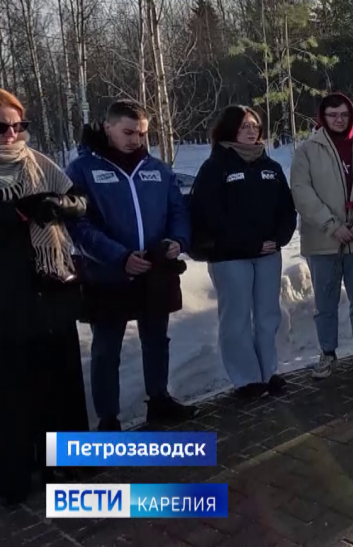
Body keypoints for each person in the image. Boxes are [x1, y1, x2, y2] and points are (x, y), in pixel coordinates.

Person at [65, 100, 195, 431]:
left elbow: (178, 210)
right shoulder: (82, 169)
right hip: (107, 273)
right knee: (107, 348)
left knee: (157, 339)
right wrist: (119, 257)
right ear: (107, 127)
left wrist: (178, 241)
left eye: (141, 133)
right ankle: (108, 418)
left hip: (155, 270)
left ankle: (159, 399)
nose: (136, 139)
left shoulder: (157, 167)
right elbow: (79, 225)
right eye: (128, 132)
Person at [0, 90, 89, 504]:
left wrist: (61, 206)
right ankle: (16, 472)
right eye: (2, 127)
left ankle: (64, 464)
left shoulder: (38, 163)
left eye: (18, 125)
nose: (12, 134)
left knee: (60, 384)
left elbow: (80, 199)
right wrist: (18, 213)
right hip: (8, 301)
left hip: (52, 293)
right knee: (15, 392)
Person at [189, 106, 297, 399]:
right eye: (244, 126)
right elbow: (209, 216)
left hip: (269, 254)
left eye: (255, 126)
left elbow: (286, 209)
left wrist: (279, 238)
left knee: (268, 316)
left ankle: (270, 372)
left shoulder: (271, 167)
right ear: (229, 130)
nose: (251, 131)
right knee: (236, 319)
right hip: (231, 257)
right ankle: (247, 379)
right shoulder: (215, 168)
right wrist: (249, 243)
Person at [290, 92, 353, 379]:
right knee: (325, 301)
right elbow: (302, 193)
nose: (339, 119)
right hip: (324, 240)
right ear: (323, 117)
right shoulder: (307, 151)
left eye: (344, 114)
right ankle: (328, 352)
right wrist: (333, 225)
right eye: (333, 115)